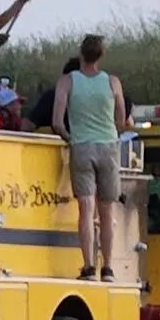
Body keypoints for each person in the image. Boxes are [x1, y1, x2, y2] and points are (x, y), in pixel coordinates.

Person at [52, 35, 129, 282]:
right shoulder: (113, 82)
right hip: (108, 146)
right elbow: (121, 120)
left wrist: (69, 136)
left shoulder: (67, 81)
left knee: (86, 209)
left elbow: (56, 121)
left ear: (81, 53)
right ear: (101, 55)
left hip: (81, 146)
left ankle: (88, 267)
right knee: (107, 211)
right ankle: (108, 267)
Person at [24, 57, 135, 133]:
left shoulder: (53, 97)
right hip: (106, 148)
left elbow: (28, 125)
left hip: (75, 149)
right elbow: (126, 122)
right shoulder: (109, 90)